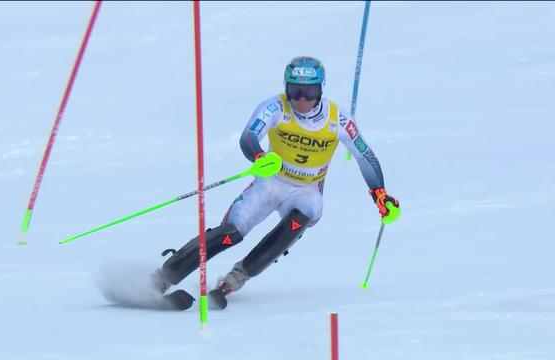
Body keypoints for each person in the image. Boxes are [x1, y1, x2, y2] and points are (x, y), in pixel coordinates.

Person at [150, 56, 400, 308]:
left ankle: (237, 277)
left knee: (303, 216)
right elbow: (248, 137)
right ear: (286, 88)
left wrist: (379, 193)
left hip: (306, 190)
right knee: (231, 233)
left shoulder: (338, 120)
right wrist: (259, 155)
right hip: (271, 182)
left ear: (321, 89)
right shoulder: (275, 107)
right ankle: (163, 277)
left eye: (309, 91)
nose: (302, 99)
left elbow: (364, 155)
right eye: (295, 90)